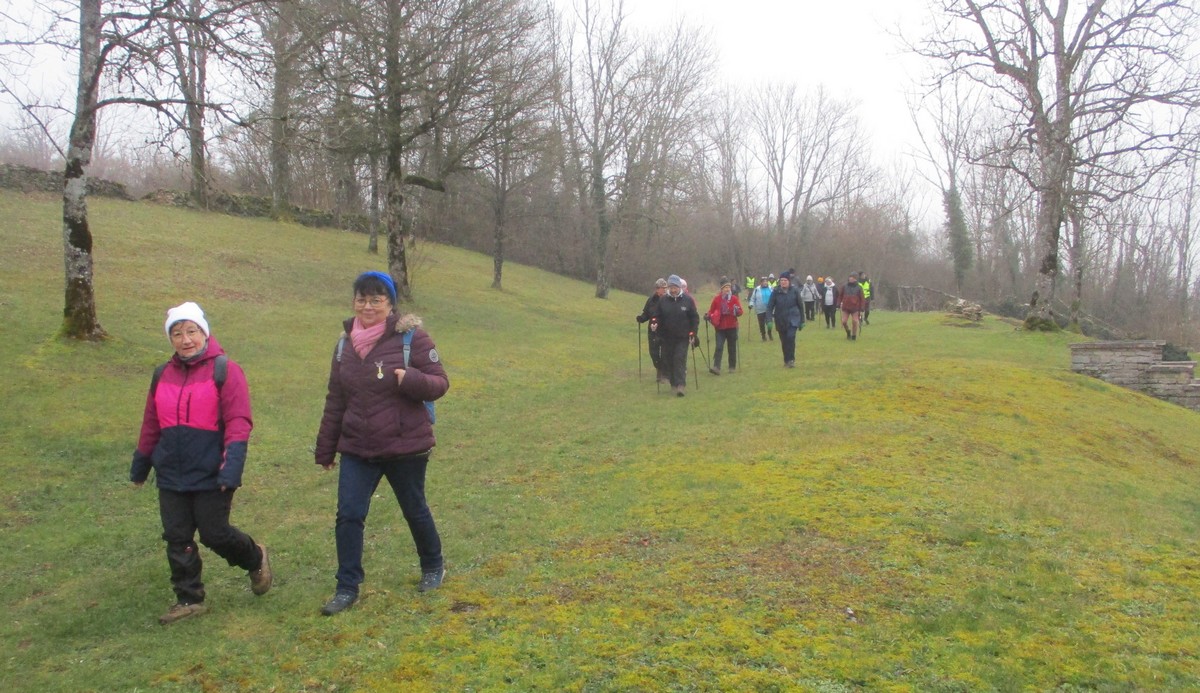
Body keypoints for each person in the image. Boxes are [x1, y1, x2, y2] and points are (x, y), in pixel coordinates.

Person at [314, 271, 450, 616]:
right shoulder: (344, 346)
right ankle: (347, 587)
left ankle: (433, 565)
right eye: (362, 299)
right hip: (357, 447)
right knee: (349, 515)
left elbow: (440, 383)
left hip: (405, 445)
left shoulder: (412, 339)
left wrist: (411, 379)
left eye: (376, 299)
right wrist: (326, 448)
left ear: (390, 305)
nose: (368, 306)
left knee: (414, 507)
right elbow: (335, 400)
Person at [130, 302, 272, 625]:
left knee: (214, 533)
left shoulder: (226, 370)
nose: (185, 340)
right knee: (177, 536)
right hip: (171, 473)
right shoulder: (161, 375)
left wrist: (231, 468)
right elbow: (151, 423)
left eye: (191, 331)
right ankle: (189, 598)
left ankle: (255, 557)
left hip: (211, 471)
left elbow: (238, 422)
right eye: (177, 334)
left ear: (204, 333)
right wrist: (141, 466)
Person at [650, 274, 699, 397]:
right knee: (669, 360)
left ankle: (681, 385)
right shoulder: (663, 300)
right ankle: (673, 383)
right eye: (671, 287)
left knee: (679, 358)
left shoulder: (687, 300)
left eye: (675, 287)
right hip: (667, 337)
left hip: (683, 336)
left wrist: (693, 332)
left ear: (679, 287)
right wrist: (655, 323)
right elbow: (657, 316)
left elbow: (694, 318)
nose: (673, 290)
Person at [705, 279, 743, 375]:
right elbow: (711, 311)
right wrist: (708, 315)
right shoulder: (717, 299)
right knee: (719, 346)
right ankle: (716, 367)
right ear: (722, 289)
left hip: (732, 326)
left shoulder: (734, 299)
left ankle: (732, 367)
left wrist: (737, 311)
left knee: (732, 347)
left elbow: (740, 311)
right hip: (720, 327)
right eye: (725, 287)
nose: (727, 289)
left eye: (729, 287)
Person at [766, 274, 805, 367]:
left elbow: (800, 306)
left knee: (790, 337)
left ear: (789, 281)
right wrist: (769, 320)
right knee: (784, 341)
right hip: (780, 319)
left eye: (785, 280)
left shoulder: (795, 291)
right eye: (781, 280)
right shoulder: (776, 292)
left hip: (793, 318)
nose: (783, 282)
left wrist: (802, 320)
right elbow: (770, 306)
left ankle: (791, 360)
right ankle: (786, 360)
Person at [636, 278, 668, 383]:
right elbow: (646, 314)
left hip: (666, 330)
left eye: (665, 288)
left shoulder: (669, 300)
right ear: (657, 289)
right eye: (662, 288)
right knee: (653, 353)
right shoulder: (651, 300)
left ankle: (663, 373)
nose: (665, 290)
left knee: (665, 353)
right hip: (653, 331)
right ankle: (659, 368)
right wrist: (641, 318)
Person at [839, 272, 866, 341]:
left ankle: (854, 336)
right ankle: (848, 331)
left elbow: (862, 299)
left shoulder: (859, 288)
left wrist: (862, 308)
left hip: (855, 308)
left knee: (855, 321)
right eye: (850, 277)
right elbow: (840, 295)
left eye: (852, 277)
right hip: (846, 307)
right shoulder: (844, 287)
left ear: (855, 279)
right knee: (844, 321)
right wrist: (838, 303)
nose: (850, 278)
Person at [749, 277, 774, 341]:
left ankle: (769, 333)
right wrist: (751, 304)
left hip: (769, 309)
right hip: (760, 309)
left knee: (769, 323)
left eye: (766, 281)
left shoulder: (771, 288)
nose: (765, 283)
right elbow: (752, 299)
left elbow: (775, 297)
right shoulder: (757, 289)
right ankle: (763, 336)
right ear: (761, 283)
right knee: (761, 324)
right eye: (763, 281)